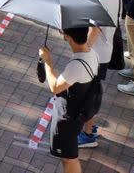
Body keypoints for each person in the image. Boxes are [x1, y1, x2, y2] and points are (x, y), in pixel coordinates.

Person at [40, 27, 99, 173]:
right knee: (69, 155)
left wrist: (47, 61)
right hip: (78, 111)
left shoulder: (77, 65)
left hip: (68, 118)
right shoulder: (92, 53)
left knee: (69, 158)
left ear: (68, 37)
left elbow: (55, 87)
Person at [78, 0, 119, 148]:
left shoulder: (101, 1)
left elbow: (93, 30)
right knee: (92, 91)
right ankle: (89, 128)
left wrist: (83, 50)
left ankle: (87, 134)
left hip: (95, 54)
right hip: (104, 51)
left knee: (88, 94)